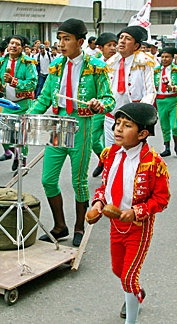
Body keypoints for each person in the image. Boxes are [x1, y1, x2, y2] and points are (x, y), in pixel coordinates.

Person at [28, 18, 114, 247]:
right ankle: (59, 225)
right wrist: (29, 116)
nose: (61, 44)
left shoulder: (96, 66)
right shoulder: (56, 66)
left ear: (80, 41)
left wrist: (98, 104)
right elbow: (45, 97)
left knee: (79, 181)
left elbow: (109, 99)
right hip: (57, 123)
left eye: (67, 39)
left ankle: (78, 226)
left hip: (81, 124)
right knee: (48, 179)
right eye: (59, 39)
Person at [89, 102, 170, 324]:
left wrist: (137, 211)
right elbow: (104, 187)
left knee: (128, 276)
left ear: (143, 133)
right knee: (118, 269)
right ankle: (136, 293)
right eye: (117, 124)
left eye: (126, 126)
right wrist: (98, 202)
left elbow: (162, 199)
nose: (118, 129)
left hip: (138, 228)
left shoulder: (152, 162)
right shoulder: (111, 154)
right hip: (115, 226)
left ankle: (131, 320)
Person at [0, 35, 38, 171]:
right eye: (11, 43)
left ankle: (22, 159)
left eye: (17, 44)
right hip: (7, 103)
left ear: (22, 48)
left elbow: (33, 83)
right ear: (8, 46)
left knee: (22, 135)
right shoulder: (1, 62)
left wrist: (13, 81)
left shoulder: (28, 63)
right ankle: (16, 154)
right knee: (3, 133)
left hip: (23, 103)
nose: (13, 46)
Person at [104, 25, 155, 147]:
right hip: (111, 116)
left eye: (127, 38)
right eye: (121, 37)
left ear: (136, 45)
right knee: (111, 153)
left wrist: (140, 112)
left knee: (131, 155)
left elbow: (150, 92)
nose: (122, 41)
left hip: (133, 119)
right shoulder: (110, 62)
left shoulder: (144, 63)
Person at [92, 32, 118, 177]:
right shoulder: (93, 63)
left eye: (115, 45)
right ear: (101, 48)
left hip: (113, 107)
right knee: (93, 140)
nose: (113, 48)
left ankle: (110, 167)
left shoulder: (121, 61)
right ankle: (102, 160)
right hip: (97, 107)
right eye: (109, 45)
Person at [153, 47, 177, 158]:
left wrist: (173, 88)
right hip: (160, 100)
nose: (164, 59)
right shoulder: (156, 71)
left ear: (172, 58)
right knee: (164, 126)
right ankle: (167, 147)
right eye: (162, 57)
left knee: (175, 126)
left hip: (173, 100)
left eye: (167, 57)